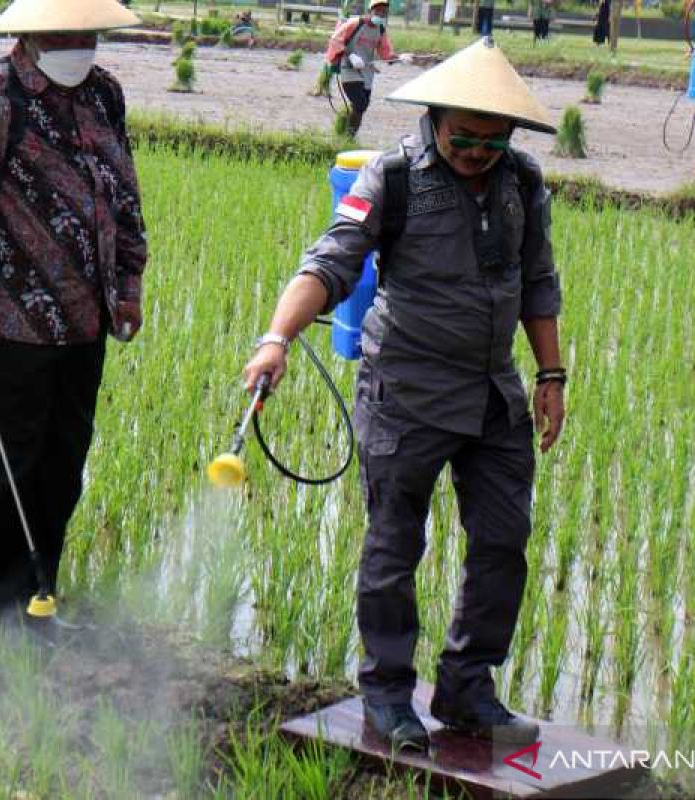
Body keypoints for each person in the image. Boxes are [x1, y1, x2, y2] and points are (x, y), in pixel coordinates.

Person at [243, 38, 564, 752]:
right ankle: (388, 694)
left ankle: (467, 689)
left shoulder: (523, 181)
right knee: (394, 547)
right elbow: (329, 263)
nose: (477, 152)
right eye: (462, 138)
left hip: (492, 394)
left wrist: (550, 375)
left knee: (505, 541)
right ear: (436, 118)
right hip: (406, 392)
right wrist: (277, 338)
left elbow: (538, 280)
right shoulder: (391, 176)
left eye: (491, 139)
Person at [0, 0, 148, 629]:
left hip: (84, 323)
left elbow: (122, 192)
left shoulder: (103, 92)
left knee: (63, 468)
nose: (79, 43)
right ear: (29, 34)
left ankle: (39, 594)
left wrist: (128, 283)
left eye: (89, 33)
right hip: (7, 328)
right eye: (65, 33)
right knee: (5, 476)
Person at [324, 0, 412, 137]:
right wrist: (351, 55)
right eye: (378, 11)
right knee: (360, 103)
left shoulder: (380, 30)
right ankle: (348, 136)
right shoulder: (355, 23)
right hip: (349, 69)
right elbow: (335, 40)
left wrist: (400, 58)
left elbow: (386, 54)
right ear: (370, 10)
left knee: (362, 107)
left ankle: (347, 137)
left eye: (383, 12)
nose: (380, 14)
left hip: (367, 73)